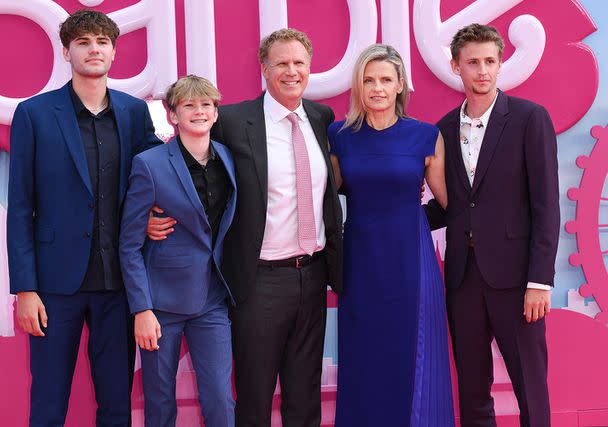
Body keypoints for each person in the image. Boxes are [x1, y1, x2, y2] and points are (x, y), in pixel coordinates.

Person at [148, 28, 343, 426]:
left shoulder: (321, 118)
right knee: (253, 394)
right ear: (264, 70)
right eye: (282, 64)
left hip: (313, 271)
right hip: (258, 280)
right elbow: (184, 160)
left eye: (299, 63)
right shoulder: (233, 121)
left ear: (310, 68)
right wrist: (154, 208)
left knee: (304, 392)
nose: (292, 71)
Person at [7, 9, 160, 427]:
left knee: (116, 406)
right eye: (84, 42)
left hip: (118, 285)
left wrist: (151, 217)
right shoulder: (34, 114)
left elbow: (153, 180)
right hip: (55, 288)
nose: (94, 49)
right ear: (66, 52)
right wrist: (25, 288)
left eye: (102, 42)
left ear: (113, 52)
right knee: (49, 403)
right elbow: (20, 206)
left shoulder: (133, 113)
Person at [425, 24, 559, 427]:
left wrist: (539, 281)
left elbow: (546, 205)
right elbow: (450, 205)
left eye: (489, 61)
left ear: (500, 65)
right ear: (456, 67)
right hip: (463, 280)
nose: (482, 71)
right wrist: (388, 218)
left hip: (518, 280)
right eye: (472, 63)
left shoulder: (529, 119)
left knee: (530, 387)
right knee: (471, 386)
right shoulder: (443, 128)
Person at [328, 44, 454, 426]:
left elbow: (450, 203)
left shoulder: (425, 136)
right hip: (361, 263)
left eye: (385, 79)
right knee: (364, 358)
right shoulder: (339, 135)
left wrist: (411, 217)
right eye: (368, 80)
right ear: (358, 87)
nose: (377, 87)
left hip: (412, 263)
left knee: (413, 356)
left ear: (400, 85)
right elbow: (326, 200)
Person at [119, 75, 236, 427]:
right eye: (189, 105)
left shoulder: (228, 158)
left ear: (216, 113)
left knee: (219, 396)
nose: (198, 111)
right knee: (159, 399)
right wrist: (142, 309)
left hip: (213, 299)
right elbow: (129, 245)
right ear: (173, 115)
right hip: (161, 306)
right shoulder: (149, 164)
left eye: (205, 105)